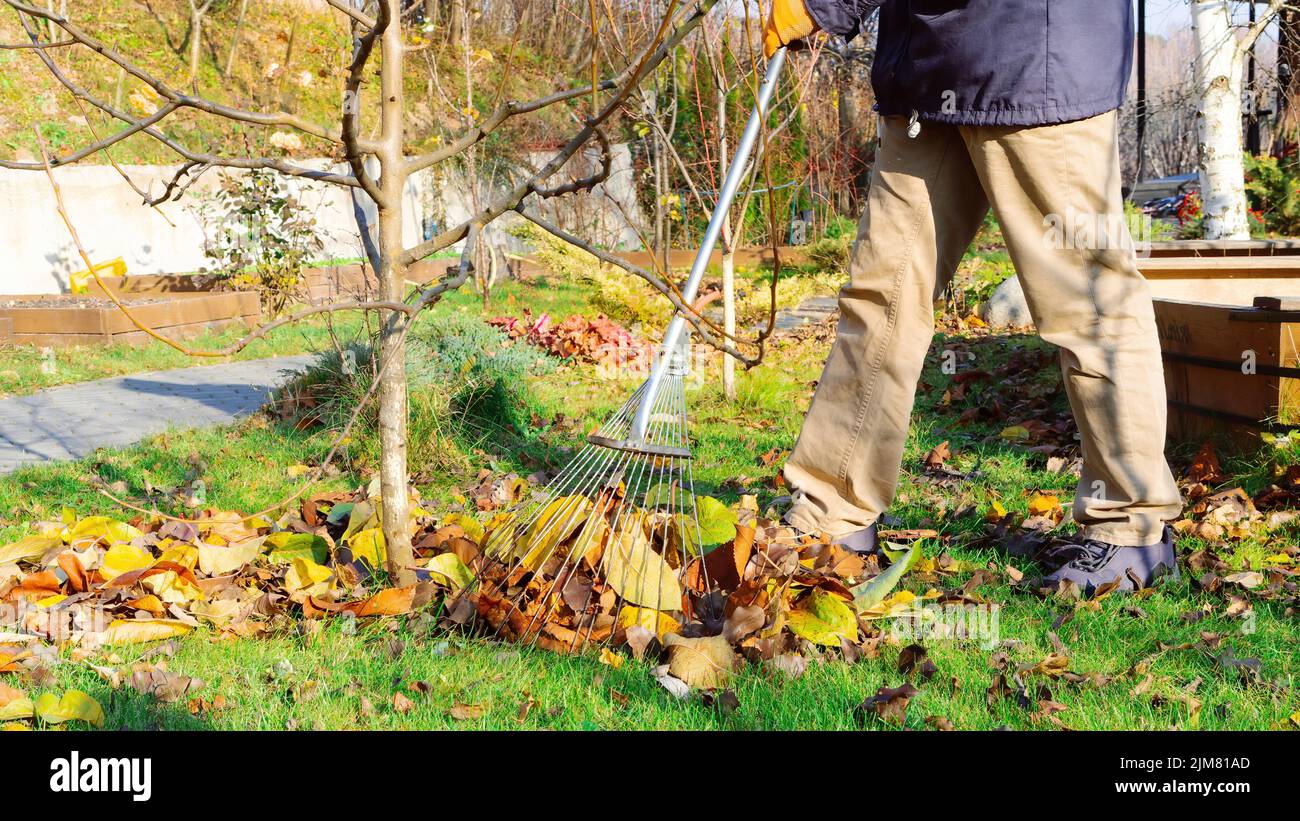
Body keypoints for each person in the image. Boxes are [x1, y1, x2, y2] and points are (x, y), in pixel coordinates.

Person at [764, 0, 1182, 593]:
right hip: (928, 71)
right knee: (881, 299)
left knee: (1087, 302)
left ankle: (1131, 522)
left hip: (1034, 58)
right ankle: (833, 512)